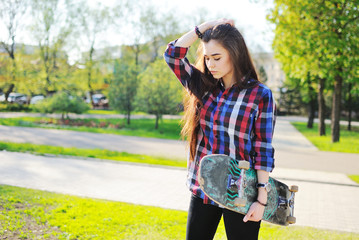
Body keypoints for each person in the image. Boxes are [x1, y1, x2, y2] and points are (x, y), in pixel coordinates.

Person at [164, 19, 276, 240]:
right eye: (206, 58)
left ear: (235, 55)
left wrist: (261, 200)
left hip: (242, 191)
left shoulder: (260, 95)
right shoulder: (202, 86)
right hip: (203, 187)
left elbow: (262, 150)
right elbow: (172, 54)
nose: (210, 64)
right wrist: (205, 27)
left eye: (217, 57)